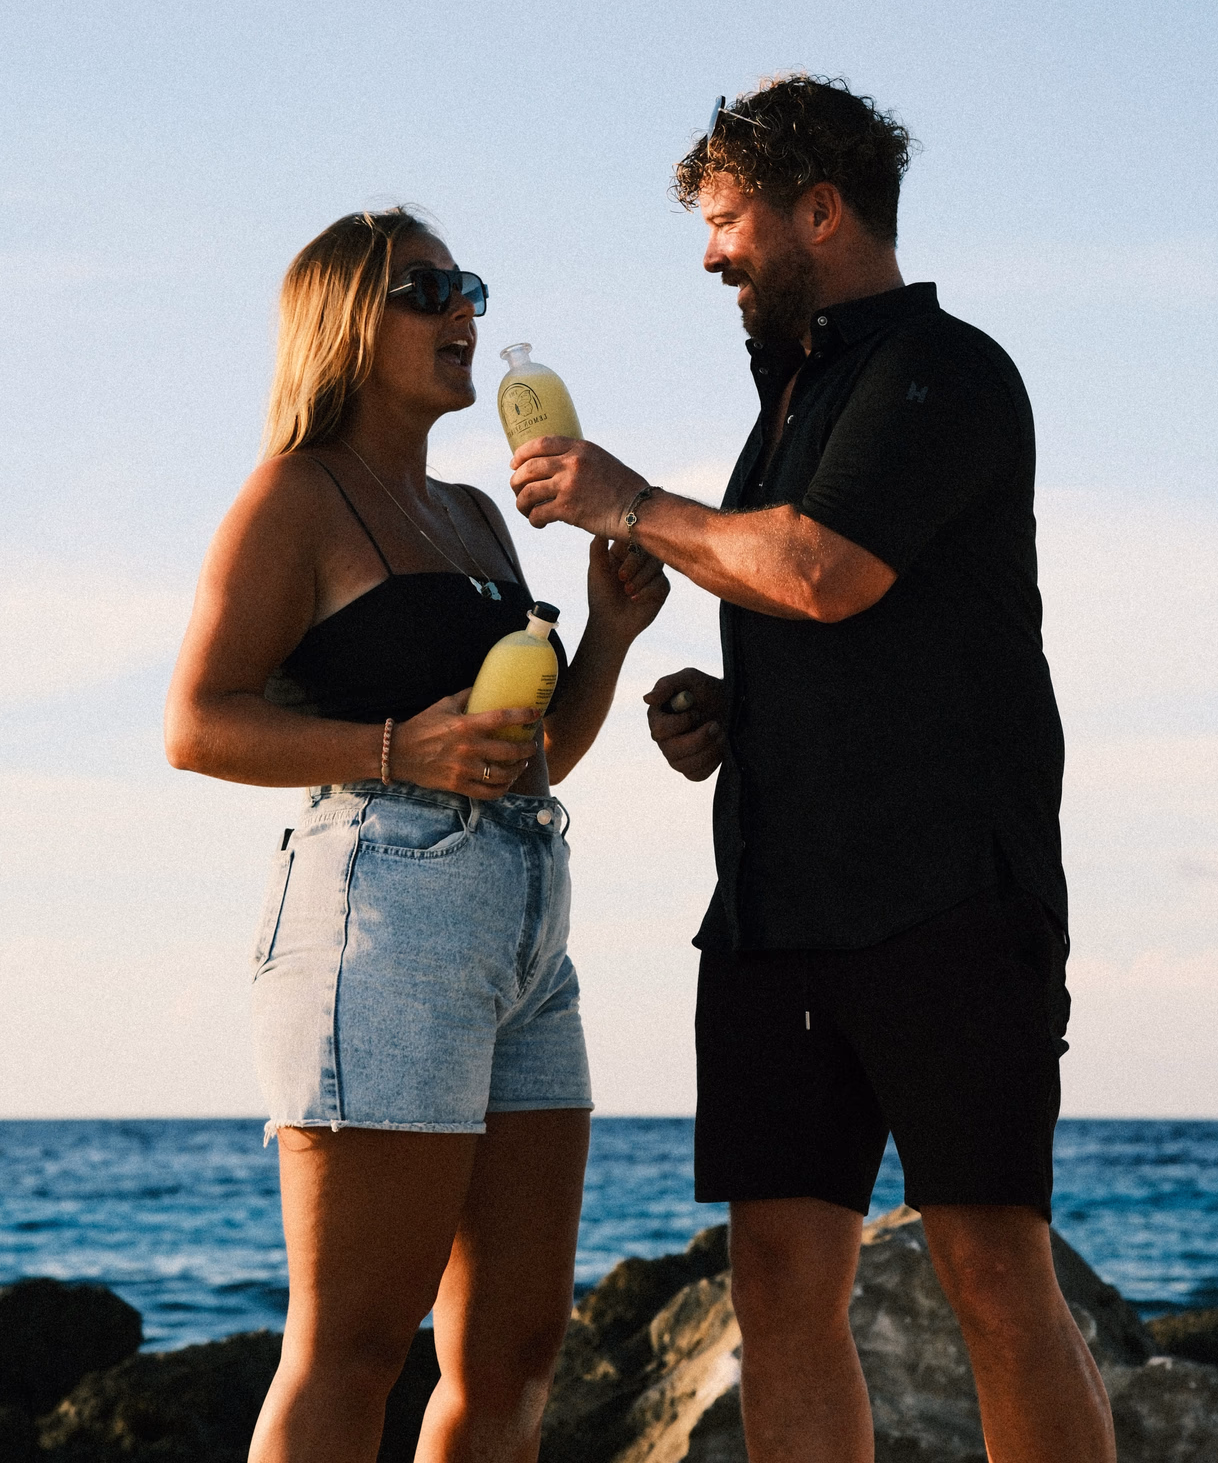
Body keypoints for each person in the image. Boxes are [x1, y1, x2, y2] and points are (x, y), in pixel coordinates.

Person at [508, 78, 1116, 1463]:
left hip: (950, 899)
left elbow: (823, 570)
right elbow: (844, 624)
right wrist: (740, 712)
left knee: (992, 1275)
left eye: (727, 221)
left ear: (820, 211)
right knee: (778, 1287)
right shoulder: (790, 399)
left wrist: (628, 503)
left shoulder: (943, 370)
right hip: (777, 911)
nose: (710, 255)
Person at [164, 207, 667, 1463]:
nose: (464, 314)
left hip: (526, 926)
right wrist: (397, 748)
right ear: (343, 322)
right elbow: (196, 722)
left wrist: (608, 635)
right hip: (380, 919)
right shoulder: (295, 496)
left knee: (514, 1352)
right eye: (427, 290)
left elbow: (529, 759)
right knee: (352, 1346)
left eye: (469, 288)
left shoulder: (478, 516)